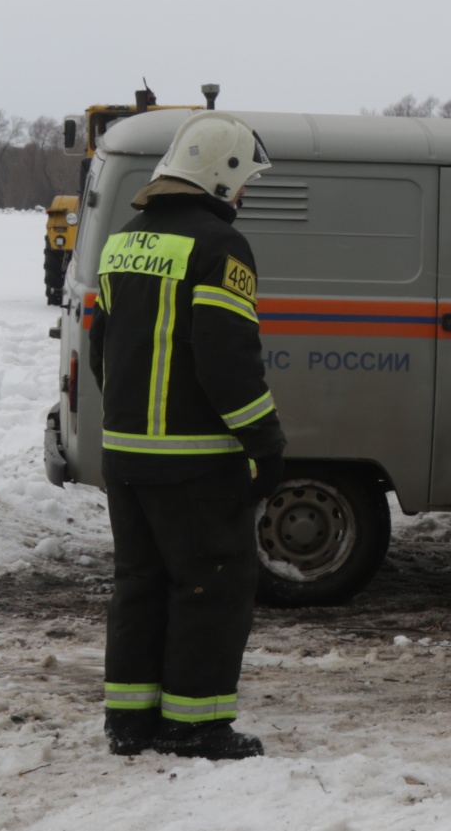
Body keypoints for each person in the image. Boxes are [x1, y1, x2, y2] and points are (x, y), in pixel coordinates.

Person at [88, 110, 285, 759]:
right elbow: (227, 359)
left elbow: (100, 350)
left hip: (125, 457)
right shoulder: (219, 247)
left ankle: (130, 719)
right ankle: (194, 723)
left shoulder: (123, 240)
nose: (245, 193)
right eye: (244, 180)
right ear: (222, 176)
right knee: (212, 584)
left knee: (139, 584)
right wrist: (266, 441)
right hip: (197, 463)